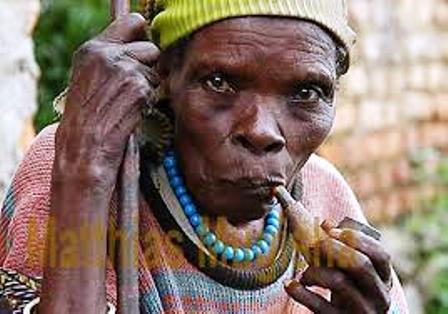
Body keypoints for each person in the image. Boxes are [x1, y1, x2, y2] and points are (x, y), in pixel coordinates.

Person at [0, 0, 409, 313]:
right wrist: (84, 173)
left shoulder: (326, 193)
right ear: (162, 79)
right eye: (219, 82)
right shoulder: (80, 165)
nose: (262, 131)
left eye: (306, 93)